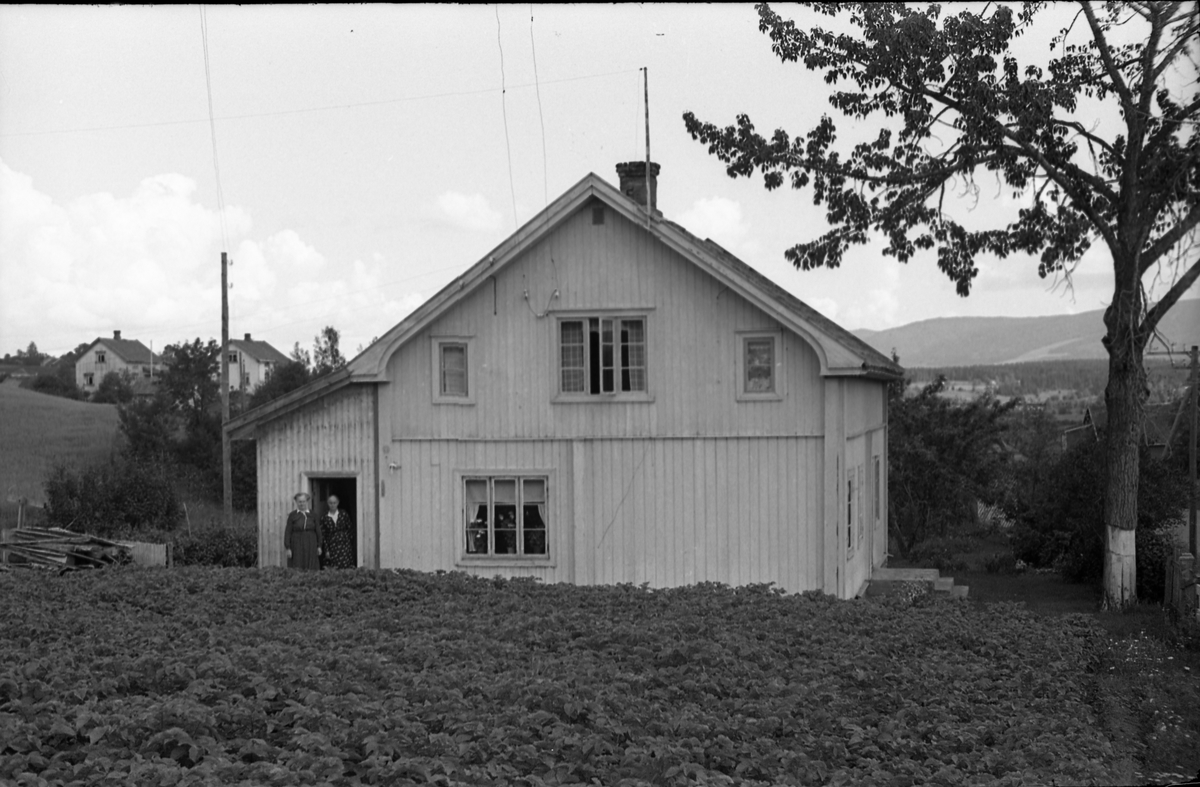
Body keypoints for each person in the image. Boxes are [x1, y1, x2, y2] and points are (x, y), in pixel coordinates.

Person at [284, 492, 322, 570]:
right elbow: (288, 532)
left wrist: (319, 546)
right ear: (296, 502)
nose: (302, 504)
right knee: (297, 563)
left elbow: (318, 531)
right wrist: (288, 548)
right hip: (296, 543)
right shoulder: (292, 515)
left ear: (307, 501)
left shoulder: (313, 514)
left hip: (311, 542)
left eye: (303, 501)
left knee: (311, 563)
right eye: (299, 502)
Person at [321, 494, 356, 569]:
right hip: (332, 546)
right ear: (327, 503)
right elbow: (323, 535)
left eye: (334, 503)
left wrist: (347, 541)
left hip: (345, 545)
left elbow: (350, 528)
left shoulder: (343, 514)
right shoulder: (324, 517)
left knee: (347, 566)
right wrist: (326, 550)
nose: (332, 505)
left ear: (338, 503)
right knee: (333, 567)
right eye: (330, 503)